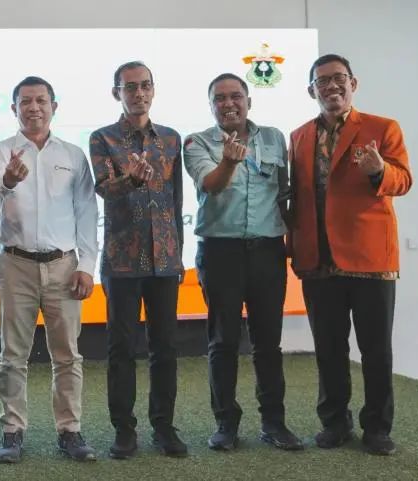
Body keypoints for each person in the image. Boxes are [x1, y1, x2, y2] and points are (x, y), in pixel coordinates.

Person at [288, 54, 412, 456]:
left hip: (370, 259)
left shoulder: (382, 128)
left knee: (376, 350)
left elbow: (403, 180)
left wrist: (379, 171)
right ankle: (334, 423)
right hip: (318, 260)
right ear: (311, 90)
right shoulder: (299, 136)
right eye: (322, 81)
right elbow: (299, 197)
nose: (331, 86)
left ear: (353, 83)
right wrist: (294, 245)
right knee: (328, 348)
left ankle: (377, 428)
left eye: (339, 78)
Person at [183, 73, 303, 452]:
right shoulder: (197, 142)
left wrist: (294, 242)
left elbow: (284, 194)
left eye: (235, 96)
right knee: (224, 341)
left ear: (249, 101)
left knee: (268, 343)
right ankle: (226, 424)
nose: (228, 103)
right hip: (221, 253)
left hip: (268, 251)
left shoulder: (274, 138)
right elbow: (211, 185)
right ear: (211, 106)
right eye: (219, 98)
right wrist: (229, 162)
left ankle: (274, 423)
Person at [0, 76, 99, 463]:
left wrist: (87, 265)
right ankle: (12, 430)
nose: (34, 107)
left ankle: (70, 430)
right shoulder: (1, 151)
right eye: (25, 101)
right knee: (12, 354)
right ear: (13, 108)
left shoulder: (73, 155)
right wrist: (10, 178)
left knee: (67, 355)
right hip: (15, 265)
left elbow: (86, 212)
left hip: (64, 266)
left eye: (41, 100)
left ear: (54, 106)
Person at [89, 61, 187, 459]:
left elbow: (176, 201)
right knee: (121, 349)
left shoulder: (171, 139)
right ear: (117, 92)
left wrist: (178, 254)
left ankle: (164, 427)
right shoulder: (103, 138)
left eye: (145, 85)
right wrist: (130, 179)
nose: (138, 93)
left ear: (153, 89)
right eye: (130, 87)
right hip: (122, 262)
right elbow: (103, 189)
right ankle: (124, 430)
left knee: (165, 348)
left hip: (165, 260)